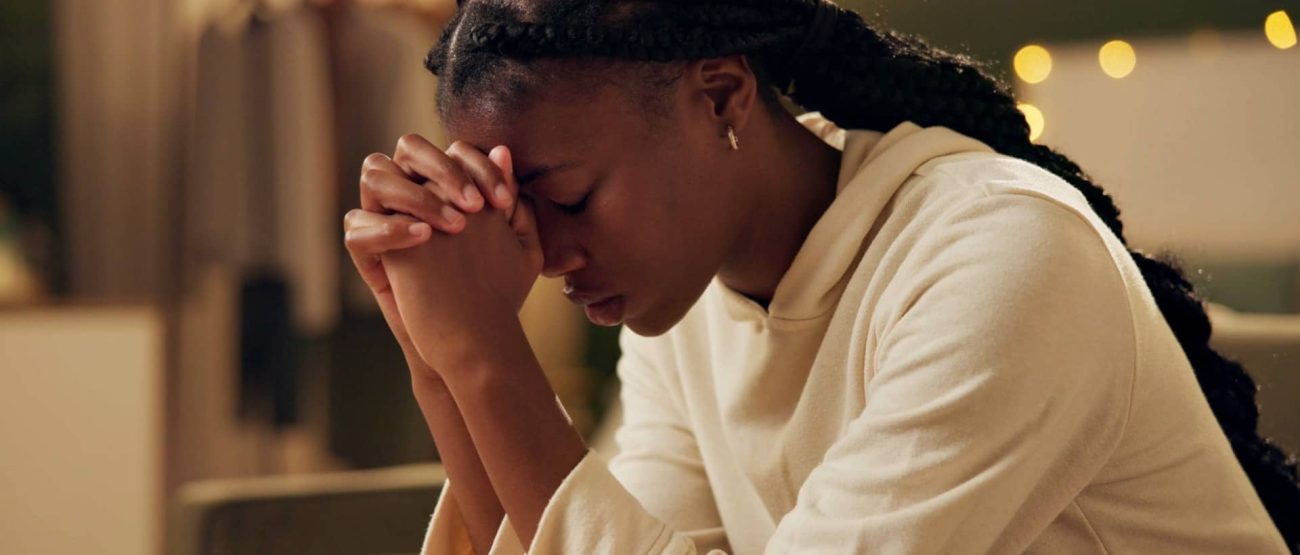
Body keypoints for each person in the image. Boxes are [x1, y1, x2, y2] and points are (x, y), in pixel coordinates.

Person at [341, 1, 1299, 553]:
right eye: (512, 213)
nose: (540, 257)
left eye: (569, 197)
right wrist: (442, 359)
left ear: (719, 96)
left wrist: (487, 360)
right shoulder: (685, 313)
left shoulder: (1000, 257)